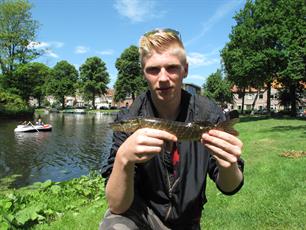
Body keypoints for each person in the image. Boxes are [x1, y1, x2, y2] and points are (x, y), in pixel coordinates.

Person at [100, 28, 244, 230]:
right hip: (142, 217)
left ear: (185, 69)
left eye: (172, 68)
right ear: (144, 73)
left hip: (187, 222)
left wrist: (228, 164)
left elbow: (230, 187)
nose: (163, 78)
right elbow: (116, 205)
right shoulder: (129, 117)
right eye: (153, 69)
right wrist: (123, 159)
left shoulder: (208, 113)